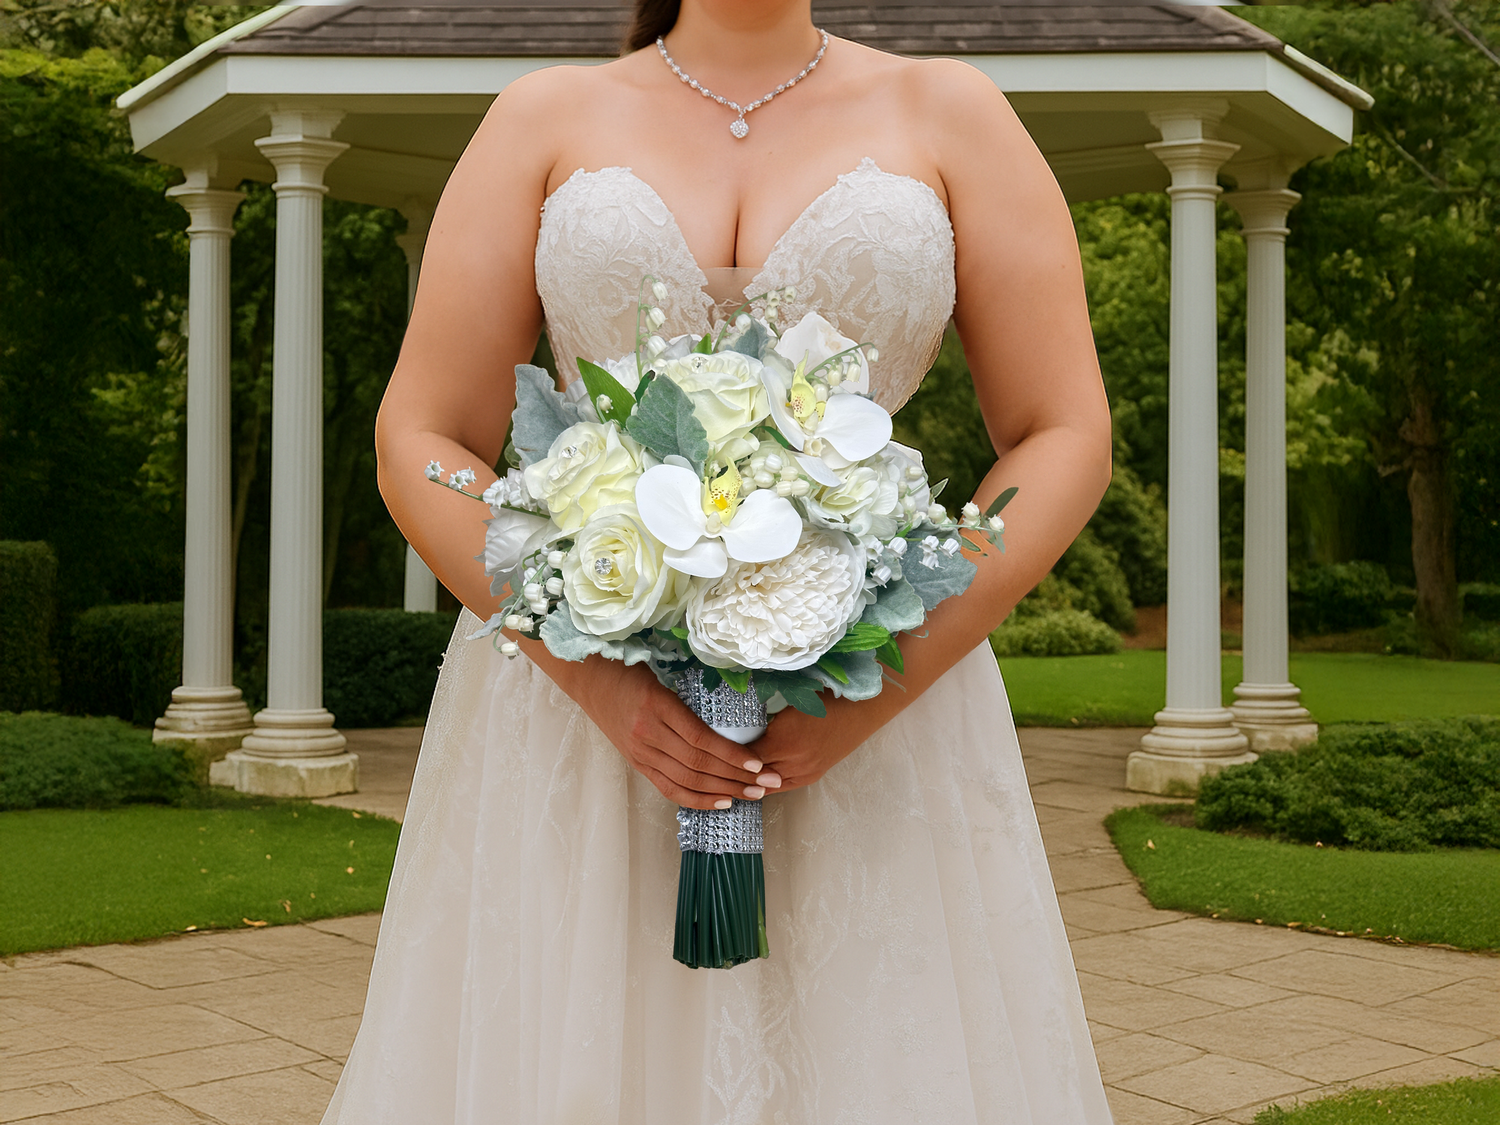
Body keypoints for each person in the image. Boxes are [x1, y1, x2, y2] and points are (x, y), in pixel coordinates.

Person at [324, 0, 1115, 1121]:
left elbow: (1063, 431)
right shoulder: (541, 118)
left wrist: (887, 675)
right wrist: (592, 672)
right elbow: (420, 438)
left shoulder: (954, 114)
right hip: (573, 726)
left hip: (875, 717)